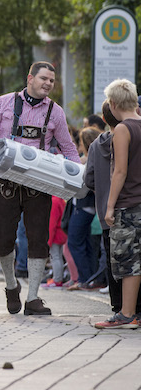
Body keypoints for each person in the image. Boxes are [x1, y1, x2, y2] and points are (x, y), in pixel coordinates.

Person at [0, 61, 79, 316]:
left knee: (38, 239)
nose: (48, 84)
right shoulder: (3, 103)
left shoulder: (56, 112)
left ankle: (33, 299)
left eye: (52, 80)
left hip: (39, 184)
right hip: (6, 182)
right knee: (3, 239)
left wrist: (78, 177)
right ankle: (10, 285)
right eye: (44, 79)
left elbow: (69, 148)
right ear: (30, 78)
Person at [85, 100, 141, 315]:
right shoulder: (134, 136)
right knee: (134, 259)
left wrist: (101, 189)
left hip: (107, 211)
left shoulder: (96, 146)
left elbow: (88, 178)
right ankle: (135, 308)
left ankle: (119, 307)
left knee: (114, 260)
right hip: (131, 206)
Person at [66, 126, 100, 290]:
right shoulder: (97, 158)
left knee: (75, 242)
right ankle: (90, 278)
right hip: (89, 207)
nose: (78, 147)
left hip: (83, 206)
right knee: (86, 244)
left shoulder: (86, 160)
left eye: (80, 143)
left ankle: (84, 279)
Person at [43, 196, 68, 288]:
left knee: (55, 257)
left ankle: (57, 279)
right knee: (58, 257)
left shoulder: (54, 201)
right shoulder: (60, 200)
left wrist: (48, 240)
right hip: (61, 233)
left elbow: (52, 222)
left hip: (55, 235)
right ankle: (58, 278)